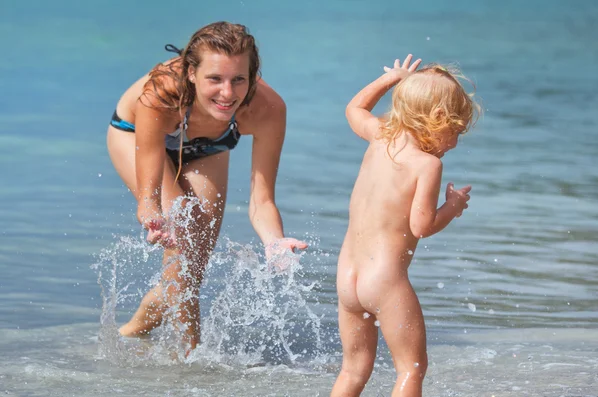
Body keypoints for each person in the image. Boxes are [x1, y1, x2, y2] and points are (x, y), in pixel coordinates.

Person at [106, 21, 308, 352]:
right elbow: (149, 194)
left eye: (238, 79)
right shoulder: (161, 96)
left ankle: (132, 332)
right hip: (136, 135)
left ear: (252, 75)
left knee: (192, 267)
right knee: (183, 242)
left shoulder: (268, 109)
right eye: (214, 79)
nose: (227, 93)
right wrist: (152, 213)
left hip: (208, 147)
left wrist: (274, 241)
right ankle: (191, 359)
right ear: (190, 73)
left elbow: (262, 200)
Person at [331, 55, 480, 397]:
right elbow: (422, 225)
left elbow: (354, 109)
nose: (455, 143)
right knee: (411, 369)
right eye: (455, 132)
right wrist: (453, 207)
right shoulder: (426, 165)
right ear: (438, 119)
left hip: (346, 278)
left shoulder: (380, 135)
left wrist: (392, 79)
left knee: (353, 370)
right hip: (384, 281)